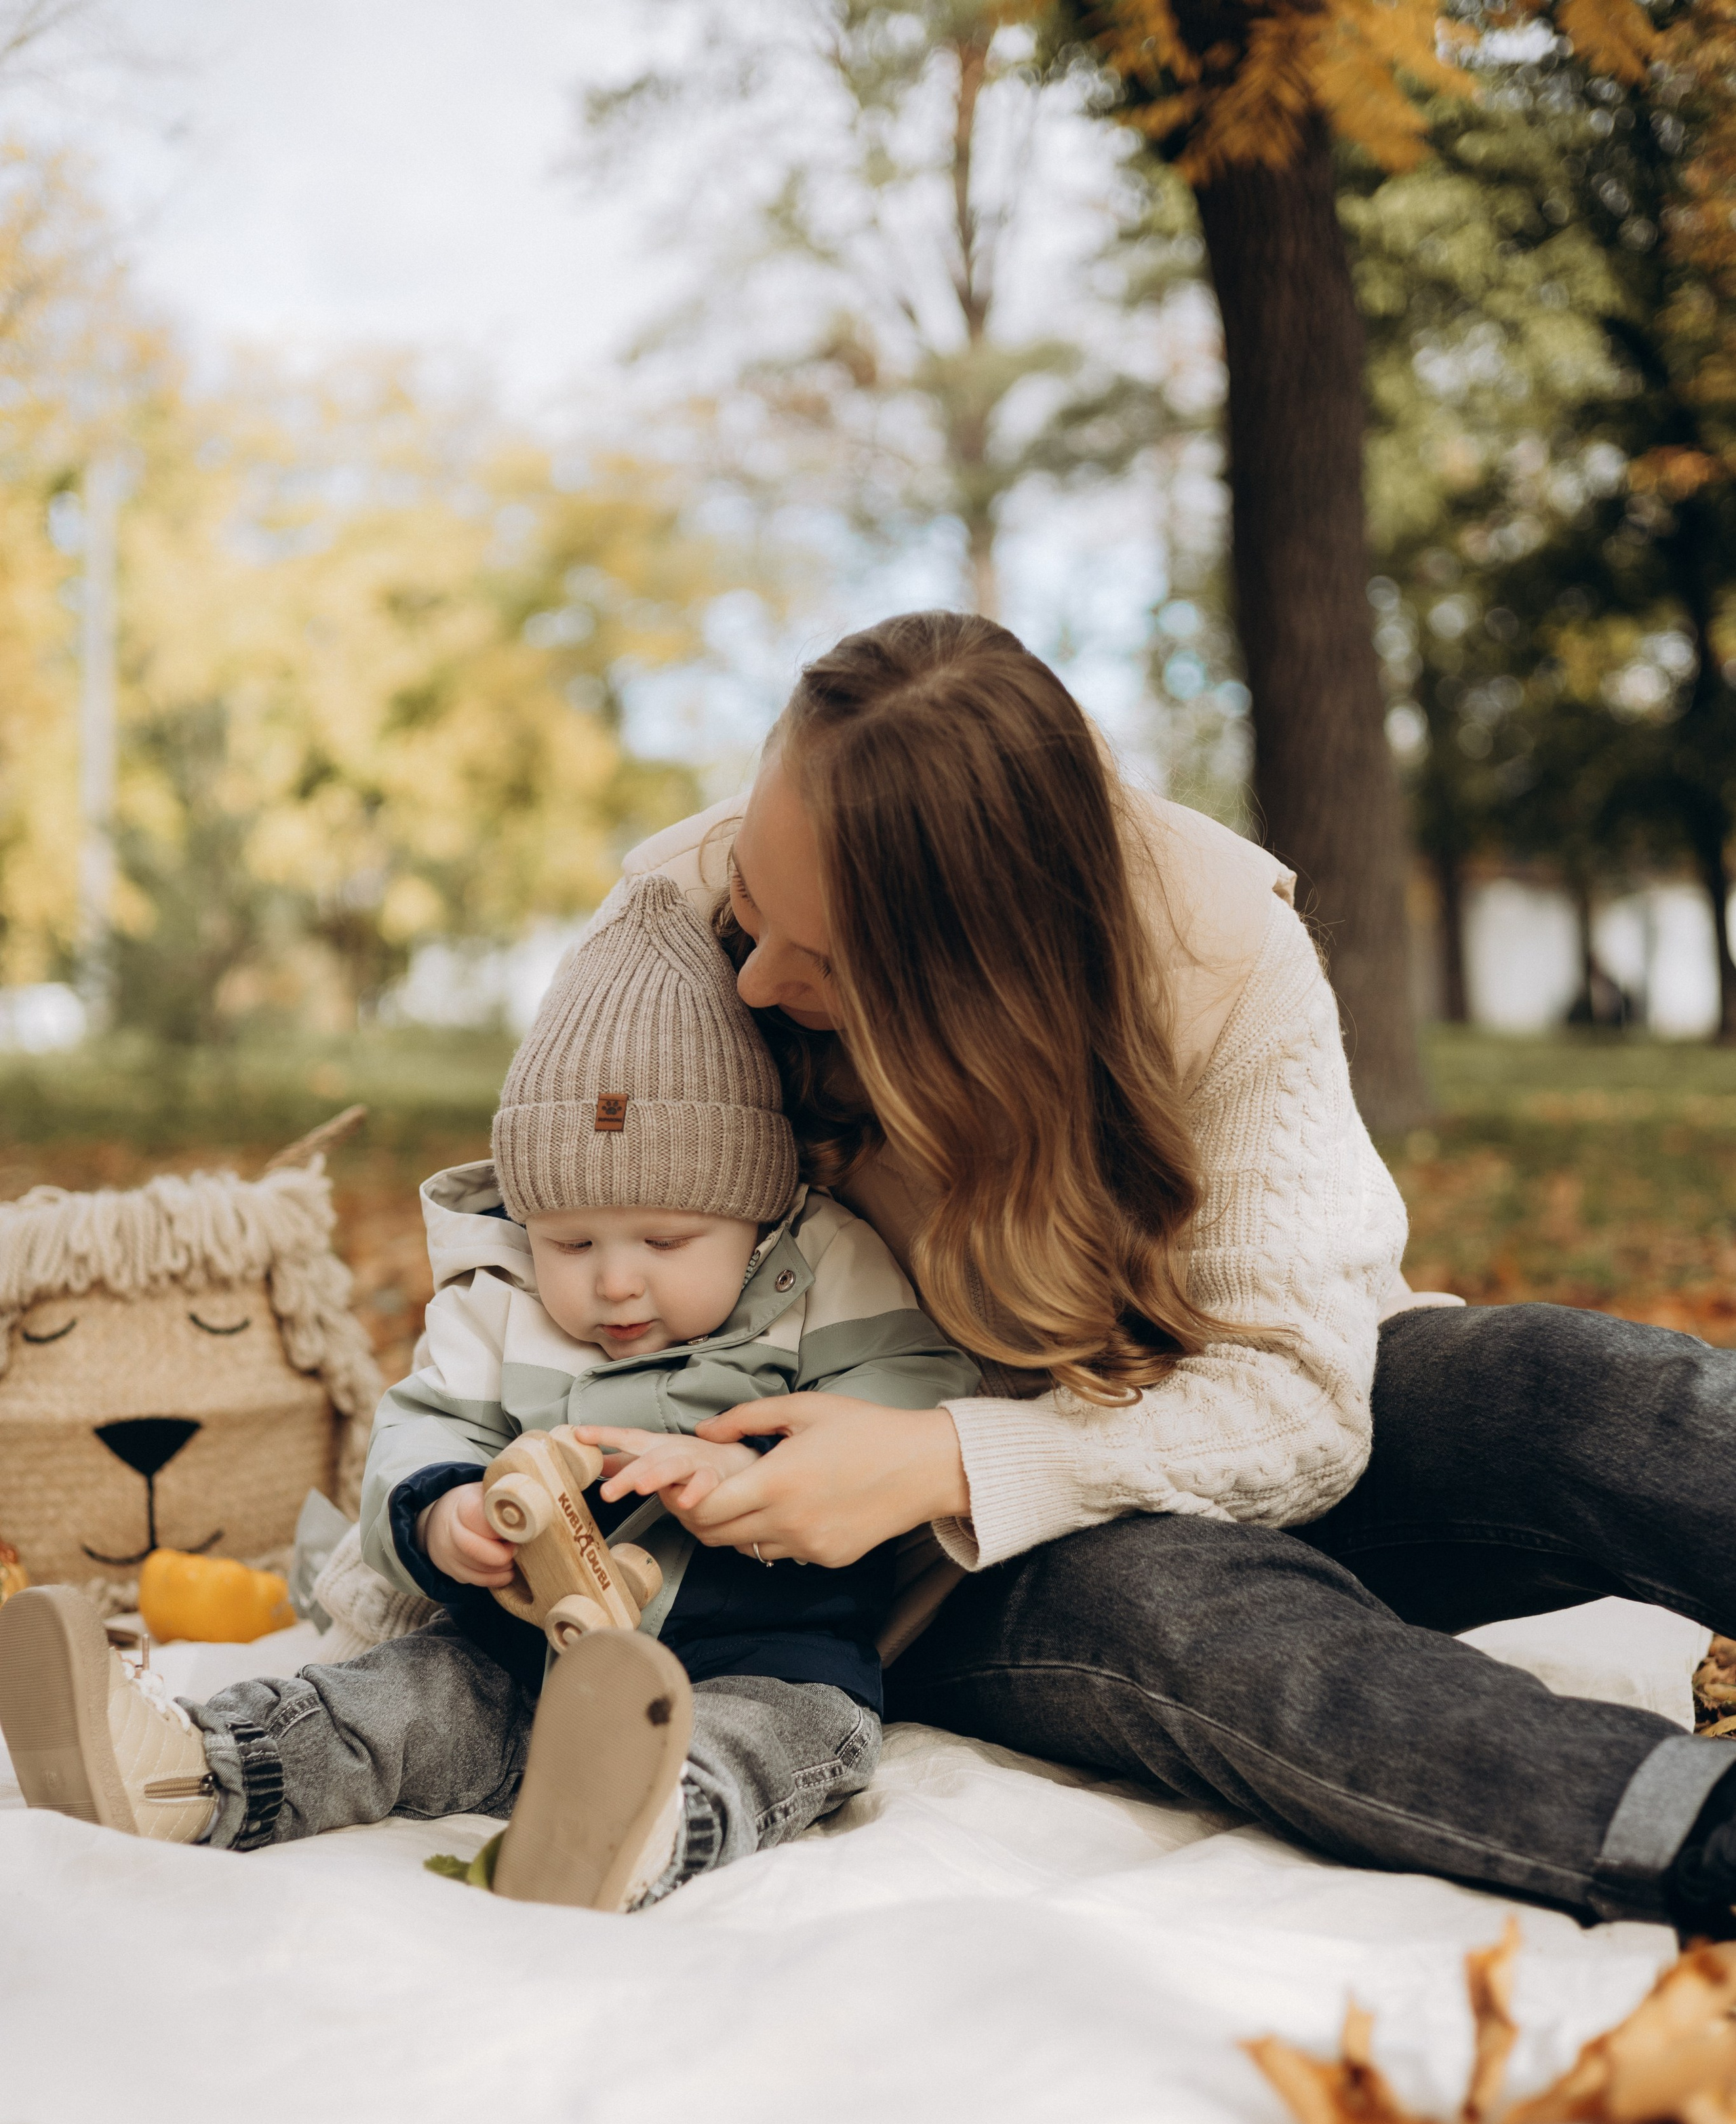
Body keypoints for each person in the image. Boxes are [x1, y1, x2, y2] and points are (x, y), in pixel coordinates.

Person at [540, 608, 1736, 1940]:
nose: (758, 981)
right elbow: (541, 1251)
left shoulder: (1218, 955)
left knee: (1561, 1386)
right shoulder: (670, 924)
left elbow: (1296, 1399)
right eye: (753, 912)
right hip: (913, 1571)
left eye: (823, 962)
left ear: (987, 980)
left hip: (1220, 1430)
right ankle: (1691, 1830)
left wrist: (948, 1456)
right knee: (1183, 1608)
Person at [0, 872, 979, 1908]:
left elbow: (918, 1402)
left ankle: (636, 1828)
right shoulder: (499, 1296)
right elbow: (419, 1431)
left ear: (759, 1210)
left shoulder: (826, 1271)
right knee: (396, 1699)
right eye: (572, 1243)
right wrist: (445, 1517)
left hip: (766, 1655)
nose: (615, 1280)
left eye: (666, 1240)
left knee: (782, 1736)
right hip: (518, 1656)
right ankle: (192, 1771)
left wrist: (754, 1468)